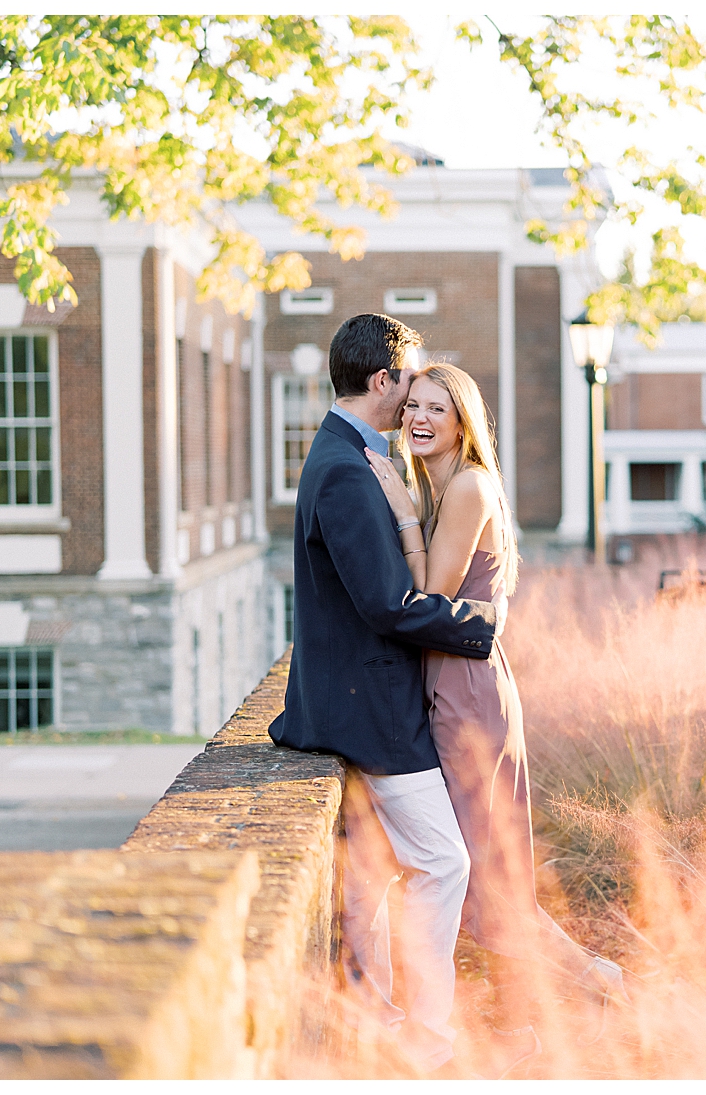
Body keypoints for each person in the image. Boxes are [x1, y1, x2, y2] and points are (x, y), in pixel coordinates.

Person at [364, 361, 628, 1077]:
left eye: (436, 408)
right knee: (487, 878)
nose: (419, 417)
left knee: (493, 881)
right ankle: (539, 1019)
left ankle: (591, 987)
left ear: (463, 421)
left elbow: (427, 594)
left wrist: (398, 508)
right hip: (458, 685)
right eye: (412, 404)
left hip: (469, 695)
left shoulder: (469, 486)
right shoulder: (444, 485)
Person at [267, 314, 498, 1076]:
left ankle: (382, 1020)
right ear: (383, 380)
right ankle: (425, 1040)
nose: (413, 402)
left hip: (364, 698)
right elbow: (386, 605)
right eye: (410, 382)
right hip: (369, 708)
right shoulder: (343, 466)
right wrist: (480, 623)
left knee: (376, 874)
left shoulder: (353, 454)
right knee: (445, 863)